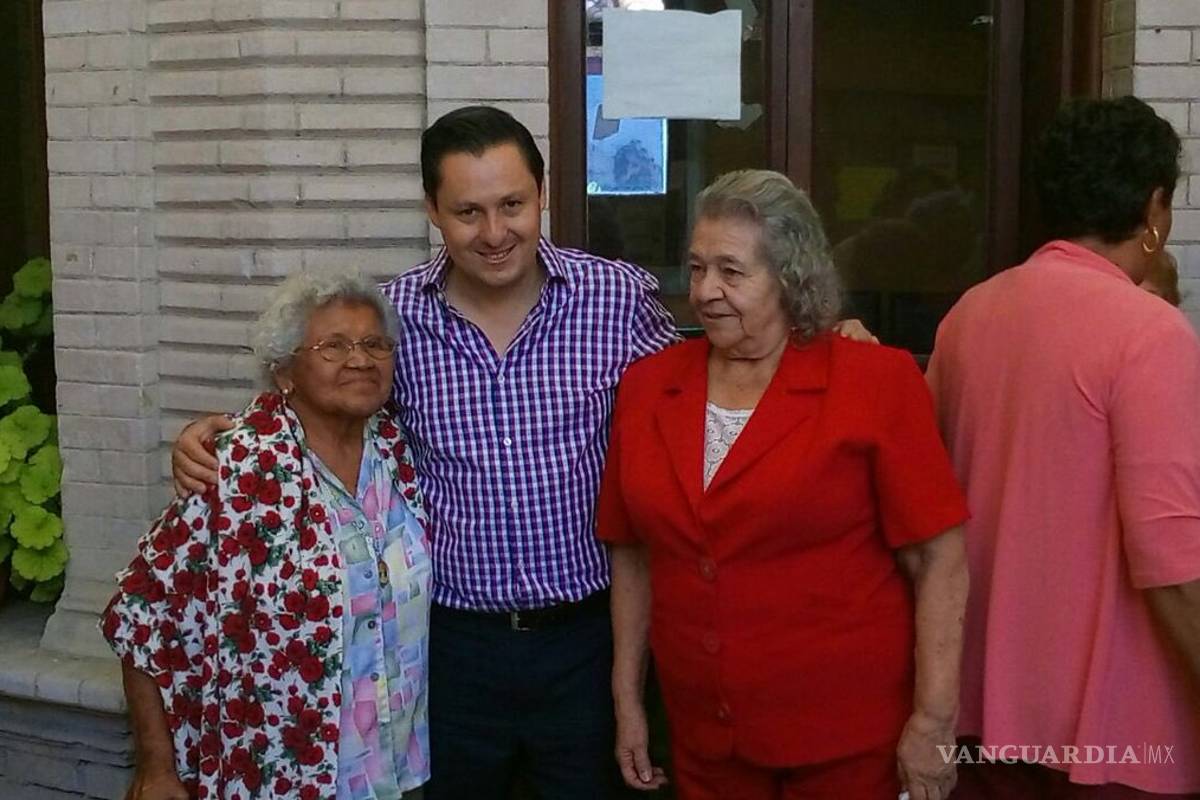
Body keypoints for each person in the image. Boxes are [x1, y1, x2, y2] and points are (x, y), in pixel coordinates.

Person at [169, 107, 876, 798]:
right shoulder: (395, 318)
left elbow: (713, 383)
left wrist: (821, 339)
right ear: (432, 212)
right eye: (468, 212)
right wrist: (223, 433)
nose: (495, 232)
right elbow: (330, 403)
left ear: (543, 196)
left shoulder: (615, 298)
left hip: (586, 641)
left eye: (512, 204)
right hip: (449, 648)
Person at [597, 169, 970, 800]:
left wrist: (934, 721)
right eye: (695, 268)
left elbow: (941, 560)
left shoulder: (874, 382)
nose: (705, 291)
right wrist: (627, 699)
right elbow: (633, 555)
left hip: (845, 744)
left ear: (791, 276)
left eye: (732, 272)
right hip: (705, 744)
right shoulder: (648, 387)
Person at [926, 96, 1200, 798]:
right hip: (1119, 734)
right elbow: (1173, 563)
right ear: (1154, 209)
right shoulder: (1150, 333)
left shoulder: (969, 315)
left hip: (983, 707)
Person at [101, 272, 431, 800]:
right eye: (333, 346)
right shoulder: (237, 469)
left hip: (395, 770)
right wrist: (157, 768)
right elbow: (140, 617)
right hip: (278, 776)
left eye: (375, 344)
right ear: (285, 372)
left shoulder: (397, 452)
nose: (360, 360)